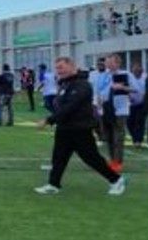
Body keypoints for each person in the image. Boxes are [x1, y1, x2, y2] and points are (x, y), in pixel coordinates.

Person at [35, 57, 126, 196]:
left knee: (91, 158)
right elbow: (60, 105)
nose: (59, 71)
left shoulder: (82, 85)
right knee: (59, 157)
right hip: (65, 128)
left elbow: (70, 107)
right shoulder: (65, 84)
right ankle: (53, 184)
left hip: (80, 129)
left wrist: (49, 120)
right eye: (57, 68)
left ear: (72, 66)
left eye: (61, 67)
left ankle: (116, 180)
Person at [98, 54, 137, 171]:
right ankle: (112, 160)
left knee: (118, 136)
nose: (108, 65)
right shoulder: (103, 76)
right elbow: (99, 91)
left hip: (120, 109)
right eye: (107, 62)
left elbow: (135, 89)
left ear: (118, 63)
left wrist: (122, 88)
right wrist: (99, 105)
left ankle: (118, 162)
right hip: (106, 108)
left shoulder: (126, 74)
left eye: (111, 62)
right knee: (108, 136)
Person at [126, 62, 146, 147]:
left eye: (139, 71)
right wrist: (129, 97)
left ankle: (138, 140)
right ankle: (134, 137)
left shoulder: (145, 78)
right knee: (129, 122)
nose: (138, 72)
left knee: (139, 122)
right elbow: (125, 88)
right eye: (136, 71)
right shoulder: (129, 78)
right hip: (131, 104)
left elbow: (147, 90)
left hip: (142, 104)